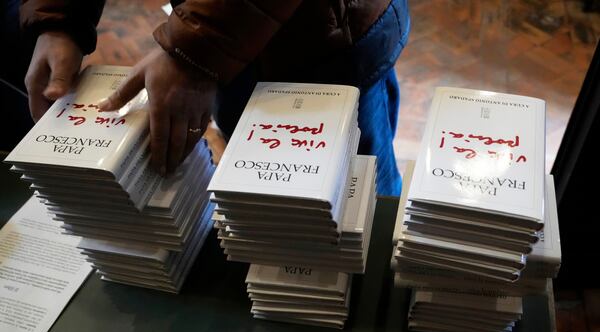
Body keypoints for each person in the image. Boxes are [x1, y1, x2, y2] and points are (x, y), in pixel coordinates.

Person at [20, 0, 410, 195]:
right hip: (231, 40)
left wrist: (195, 51)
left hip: (324, 38)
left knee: (358, 201)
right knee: (265, 192)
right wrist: (60, 17)